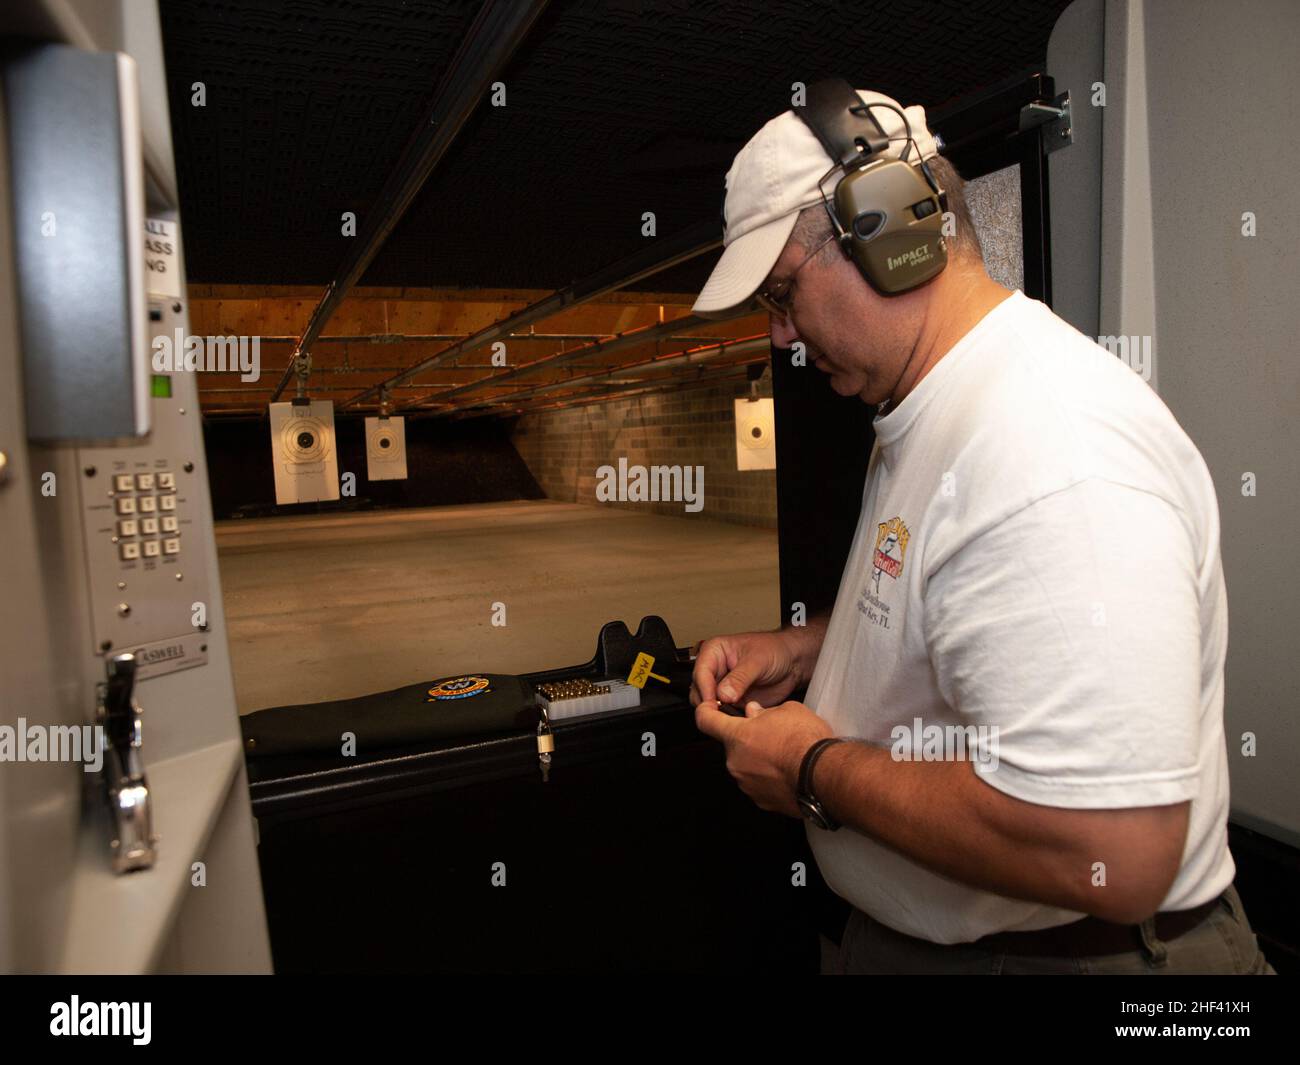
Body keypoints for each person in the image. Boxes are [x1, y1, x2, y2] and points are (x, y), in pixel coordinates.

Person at [688, 84, 1274, 974]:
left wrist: (814, 769)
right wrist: (813, 650)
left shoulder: (1046, 443)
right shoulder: (938, 407)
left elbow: (1108, 849)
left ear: (883, 229)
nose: (780, 336)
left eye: (781, 293)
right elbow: (970, 617)